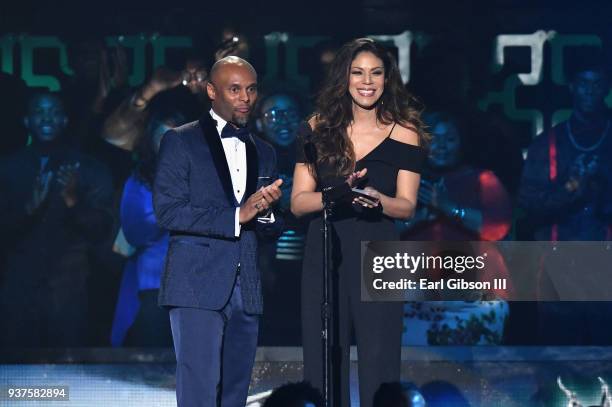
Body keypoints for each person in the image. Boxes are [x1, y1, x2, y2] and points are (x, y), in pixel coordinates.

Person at [291, 38, 427, 407]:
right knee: (324, 357)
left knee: (380, 360)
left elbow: (407, 206)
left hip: (380, 249)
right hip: (326, 246)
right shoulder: (316, 130)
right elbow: (299, 202)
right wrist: (338, 195)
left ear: (387, 79)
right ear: (345, 78)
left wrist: (382, 201)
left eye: (376, 73)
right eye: (358, 72)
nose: (367, 81)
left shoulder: (405, 133)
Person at [153, 56, 284, 407]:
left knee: (234, 394)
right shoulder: (180, 142)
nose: (246, 98)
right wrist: (236, 217)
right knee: (199, 392)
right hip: (196, 285)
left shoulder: (265, 151)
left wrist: (267, 214)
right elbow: (168, 211)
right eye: (235, 89)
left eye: (251, 89)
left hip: (247, 289)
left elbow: (270, 224)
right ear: (211, 91)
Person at [0, 92, 113, 346]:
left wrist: (73, 202)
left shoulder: (88, 168)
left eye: (53, 112)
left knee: (68, 372)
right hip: (19, 289)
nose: (46, 118)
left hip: (69, 290)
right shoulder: (8, 169)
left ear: (64, 120)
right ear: (26, 120)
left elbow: (102, 232)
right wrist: (28, 211)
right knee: (17, 374)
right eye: (39, 112)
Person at [399, 111, 512, 345]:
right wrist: (418, 218)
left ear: (462, 143)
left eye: (449, 139)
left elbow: (498, 229)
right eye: (433, 139)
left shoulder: (483, 180)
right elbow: (378, 232)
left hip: (474, 298)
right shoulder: (403, 181)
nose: (441, 146)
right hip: (415, 297)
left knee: (473, 374)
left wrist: (449, 208)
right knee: (415, 372)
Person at [110, 102, 188, 347]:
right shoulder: (140, 179)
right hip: (153, 285)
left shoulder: (200, 175)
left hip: (193, 287)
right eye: (162, 137)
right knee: (152, 363)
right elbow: (134, 232)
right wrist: (169, 210)